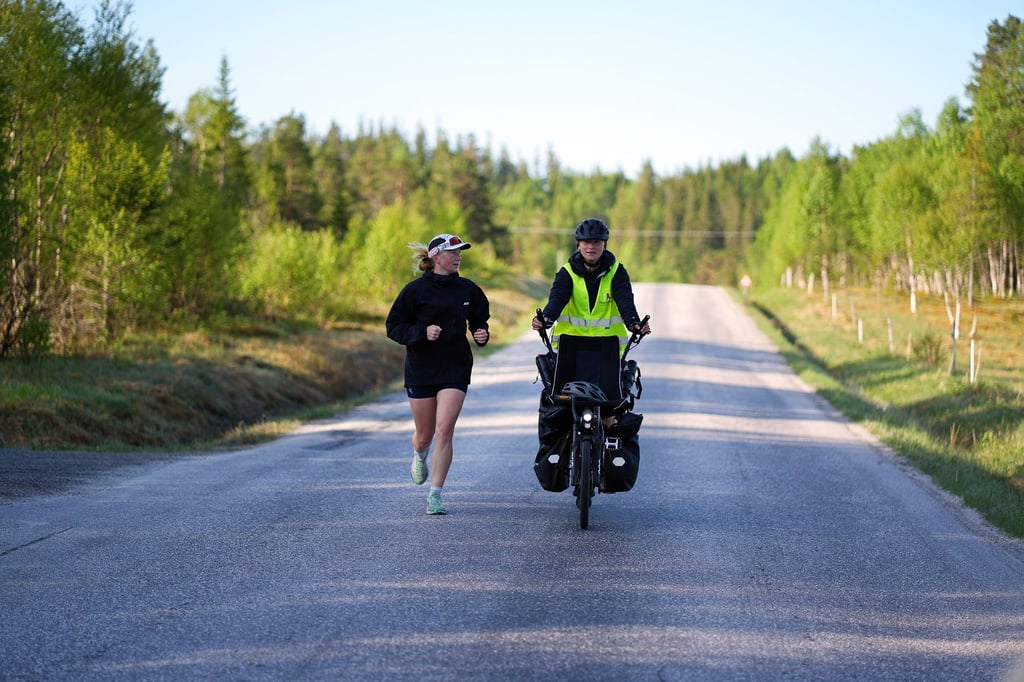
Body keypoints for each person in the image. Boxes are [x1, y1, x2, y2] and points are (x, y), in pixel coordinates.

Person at [386, 233, 490, 515]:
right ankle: (420, 455)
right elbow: (393, 327)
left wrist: (481, 333)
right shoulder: (414, 292)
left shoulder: (468, 289)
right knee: (426, 434)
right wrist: (422, 332)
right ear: (435, 257)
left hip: (455, 366)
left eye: (460, 252)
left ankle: (436, 494)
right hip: (421, 369)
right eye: (452, 252)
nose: (458, 257)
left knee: (445, 431)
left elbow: (480, 320)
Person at [532, 218, 650, 425]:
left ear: (605, 244)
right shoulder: (567, 273)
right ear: (578, 244)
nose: (591, 246)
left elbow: (625, 301)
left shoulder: (616, 272)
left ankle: (607, 452)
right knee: (562, 408)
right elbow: (557, 299)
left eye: (596, 242)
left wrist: (635, 324)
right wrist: (546, 319)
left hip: (607, 350)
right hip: (571, 349)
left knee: (609, 410)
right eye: (586, 242)